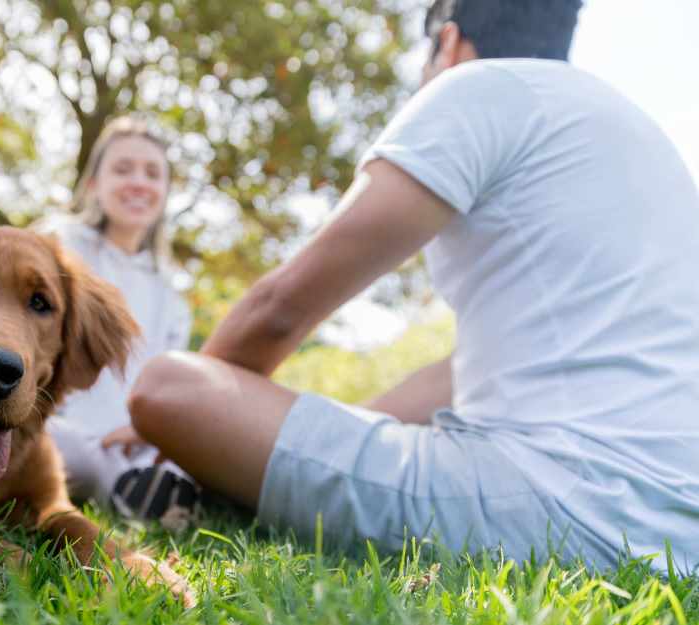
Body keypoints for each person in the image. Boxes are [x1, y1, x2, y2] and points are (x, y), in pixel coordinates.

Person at [127, 0, 699, 568]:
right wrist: (308, 433)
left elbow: (280, 308)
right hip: (680, 529)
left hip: (561, 509)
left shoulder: (478, 89)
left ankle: (199, 493)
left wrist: (185, 442)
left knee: (169, 384)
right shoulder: (632, 135)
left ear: (447, 44)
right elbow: (462, 375)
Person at [39, 116, 200, 523]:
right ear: (94, 183)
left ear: (164, 191)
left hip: (136, 437)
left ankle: (152, 484)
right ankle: (131, 490)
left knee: (195, 449)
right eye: (123, 169)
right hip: (59, 424)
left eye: (152, 174)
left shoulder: (170, 291)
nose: (139, 183)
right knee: (63, 449)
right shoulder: (58, 246)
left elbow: (167, 381)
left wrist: (148, 430)